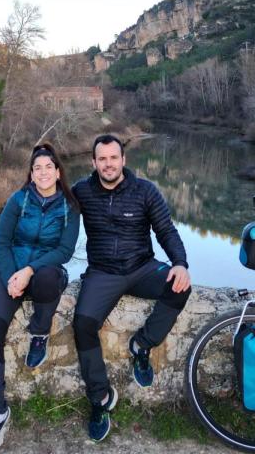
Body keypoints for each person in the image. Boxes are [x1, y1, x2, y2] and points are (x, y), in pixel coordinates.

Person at [71, 134, 191, 442]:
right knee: (83, 323)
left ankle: (142, 345)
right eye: (102, 159)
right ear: (93, 162)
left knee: (180, 287)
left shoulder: (145, 191)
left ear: (124, 160)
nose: (108, 164)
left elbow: (166, 230)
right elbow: (51, 209)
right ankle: (100, 399)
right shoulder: (81, 191)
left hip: (142, 267)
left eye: (114, 158)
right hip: (102, 273)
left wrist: (180, 262)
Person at [0, 143, 81, 454]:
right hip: (9, 272)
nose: (43, 172)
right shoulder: (18, 200)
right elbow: (0, 242)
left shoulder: (70, 206)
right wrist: (13, 275)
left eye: (48, 167)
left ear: (58, 172)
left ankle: (39, 332)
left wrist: (29, 271)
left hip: (45, 272)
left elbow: (64, 251)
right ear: (31, 174)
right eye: (37, 168)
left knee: (50, 276)